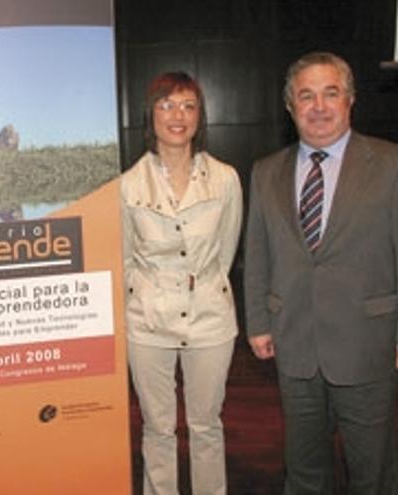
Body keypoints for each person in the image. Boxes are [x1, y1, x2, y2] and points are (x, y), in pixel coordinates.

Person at [243, 51, 398, 494]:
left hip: (368, 346)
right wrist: (257, 322)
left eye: (330, 93)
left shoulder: (396, 164)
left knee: (372, 473)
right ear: (291, 107)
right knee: (304, 471)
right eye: (306, 96)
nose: (318, 106)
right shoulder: (265, 172)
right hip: (294, 347)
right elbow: (256, 254)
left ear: (350, 100)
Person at [121, 71, 242, 495]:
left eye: (188, 105)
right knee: (157, 427)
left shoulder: (225, 179)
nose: (178, 115)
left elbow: (225, 253)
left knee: (206, 424)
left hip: (210, 317)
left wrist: (200, 287)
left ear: (200, 117)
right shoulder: (127, 185)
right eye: (167, 105)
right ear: (149, 115)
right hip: (147, 321)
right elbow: (124, 261)